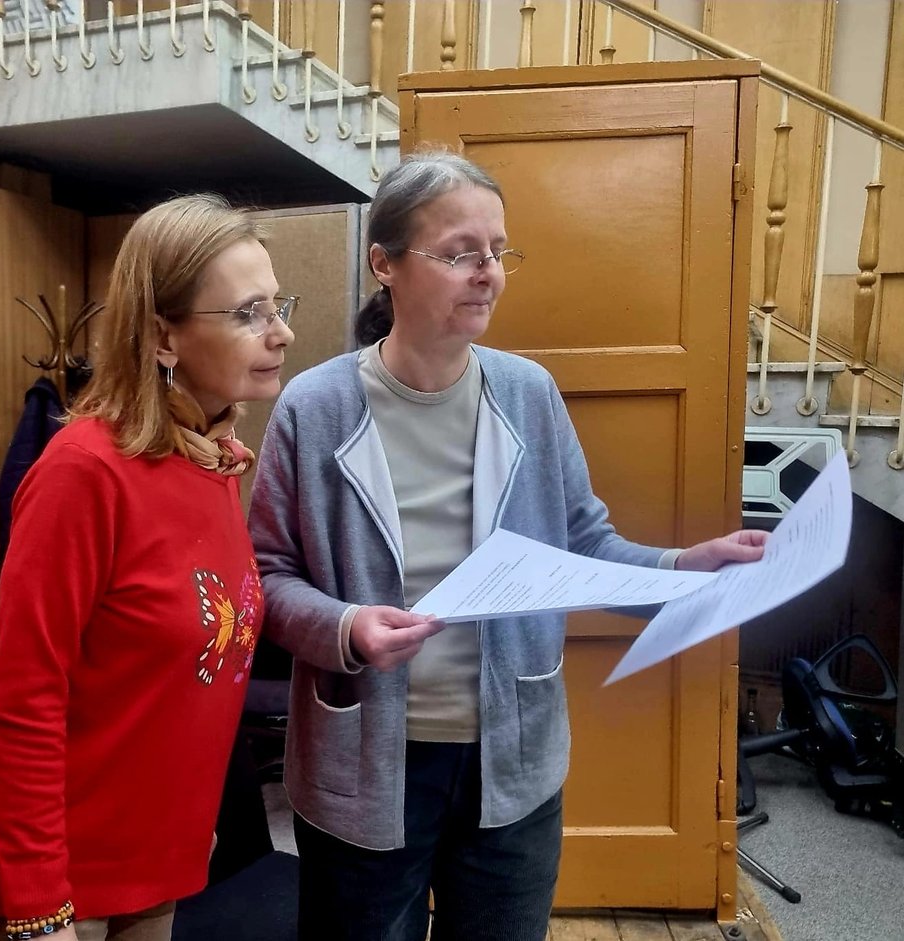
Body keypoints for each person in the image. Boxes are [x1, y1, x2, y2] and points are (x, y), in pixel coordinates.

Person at [248, 151, 767, 941]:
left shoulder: (529, 394)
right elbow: (269, 574)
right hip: (366, 760)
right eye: (460, 253)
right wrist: (346, 627)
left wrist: (682, 568)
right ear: (384, 263)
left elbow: (583, 543)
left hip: (512, 761)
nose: (488, 272)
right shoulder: (313, 407)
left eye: (498, 251)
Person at [0, 194, 296, 941]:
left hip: (154, 870)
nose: (282, 331)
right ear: (163, 334)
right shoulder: (84, 473)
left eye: (278, 304)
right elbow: (21, 702)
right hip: (57, 888)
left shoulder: (214, 461)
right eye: (249, 313)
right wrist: (40, 908)